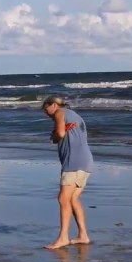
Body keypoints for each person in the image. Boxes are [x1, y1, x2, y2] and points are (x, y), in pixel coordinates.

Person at [41, 95, 93, 249]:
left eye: (46, 109)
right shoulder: (75, 115)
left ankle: (63, 237)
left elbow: (61, 134)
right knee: (74, 199)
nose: (46, 113)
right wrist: (56, 134)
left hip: (74, 161)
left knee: (63, 199)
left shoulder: (60, 113)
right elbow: (63, 135)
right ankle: (83, 235)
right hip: (86, 160)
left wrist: (55, 134)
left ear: (53, 105)